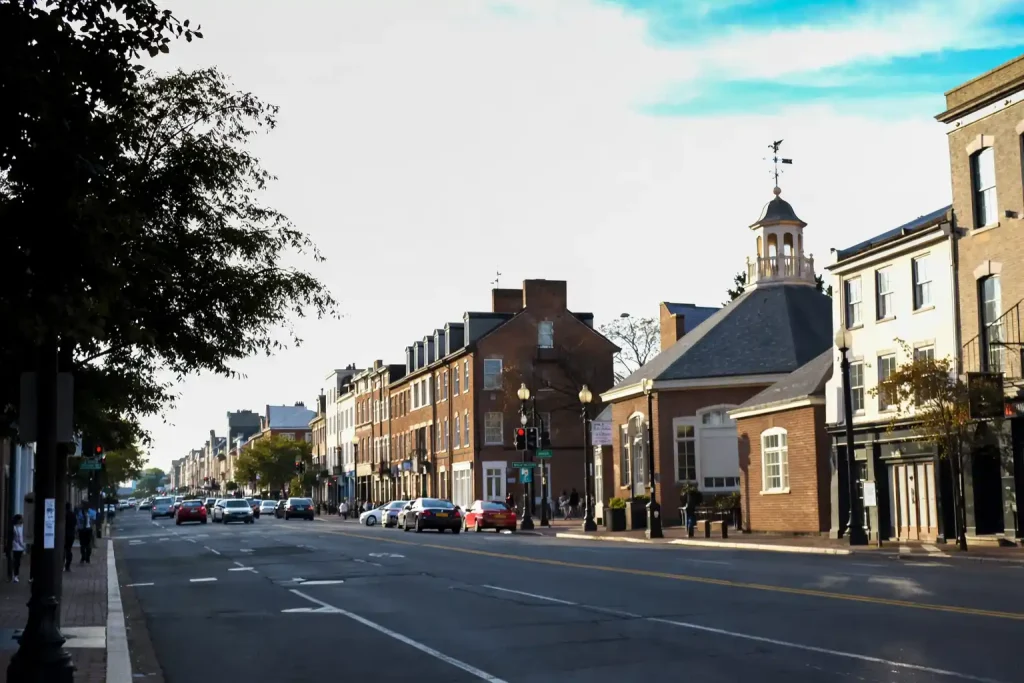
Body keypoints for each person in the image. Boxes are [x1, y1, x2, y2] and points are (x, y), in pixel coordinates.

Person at [8, 514, 25, 582]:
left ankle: (15, 575)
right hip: (16, 547)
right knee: (16, 562)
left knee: (17, 562)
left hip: (19, 547)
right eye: (21, 519)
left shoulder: (22, 527)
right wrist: (23, 546)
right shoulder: (14, 527)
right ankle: (15, 575)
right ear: (18, 520)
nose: (22, 520)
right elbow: (18, 538)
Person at [63, 502, 77, 572]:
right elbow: (75, 523)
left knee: (63, 550)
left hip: (64, 534)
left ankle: (62, 564)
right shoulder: (73, 514)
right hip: (71, 534)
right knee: (69, 549)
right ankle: (67, 565)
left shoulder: (64, 514)